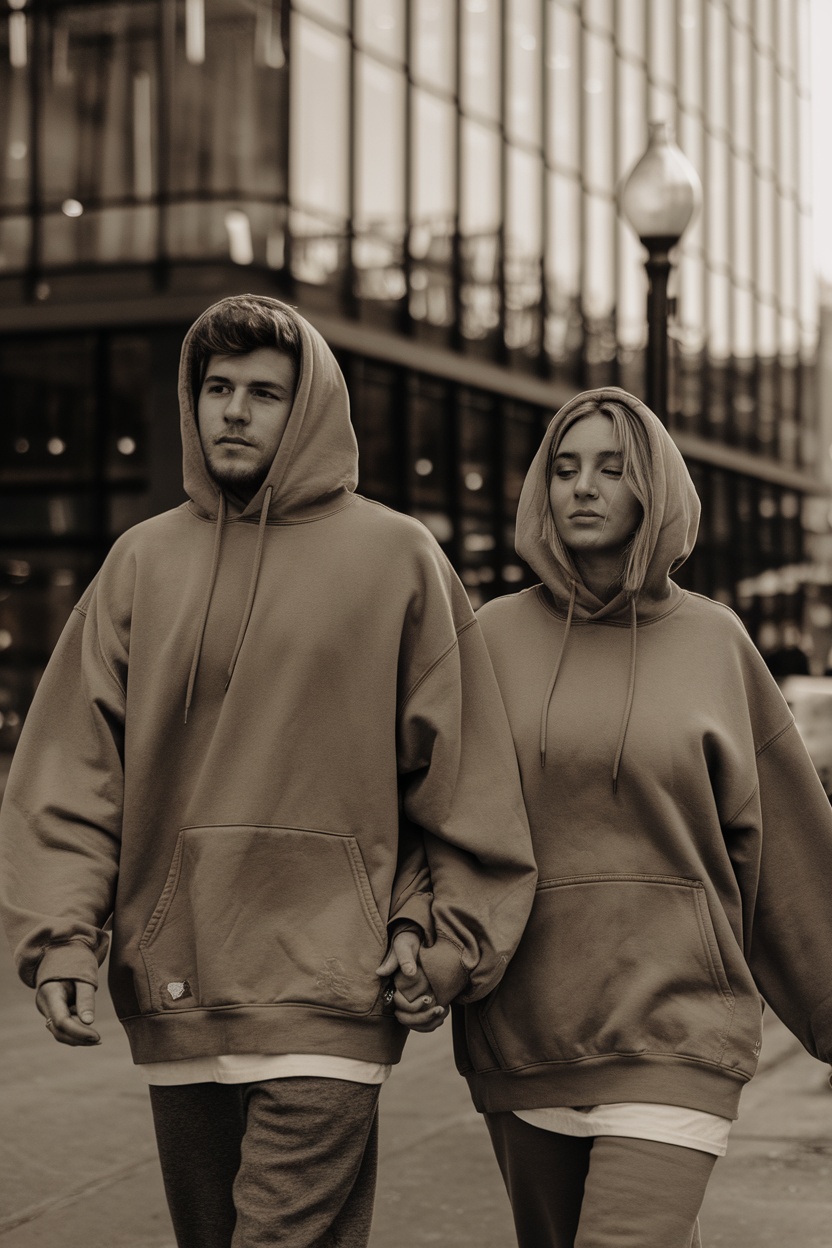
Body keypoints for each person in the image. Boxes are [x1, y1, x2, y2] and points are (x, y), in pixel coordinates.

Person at [0, 294, 536, 1248]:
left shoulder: (398, 559)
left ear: (310, 410)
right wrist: (60, 942)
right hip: (178, 990)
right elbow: (75, 776)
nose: (235, 412)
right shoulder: (139, 564)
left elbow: (460, 785)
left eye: (264, 393)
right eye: (216, 389)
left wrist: (443, 940)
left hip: (332, 988)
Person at [452, 386, 832, 1248]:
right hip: (528, 1029)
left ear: (652, 489)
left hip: (679, 1028)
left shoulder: (715, 643)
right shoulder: (487, 640)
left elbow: (787, 846)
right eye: (565, 468)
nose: (583, 487)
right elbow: (441, 820)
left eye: (612, 469)